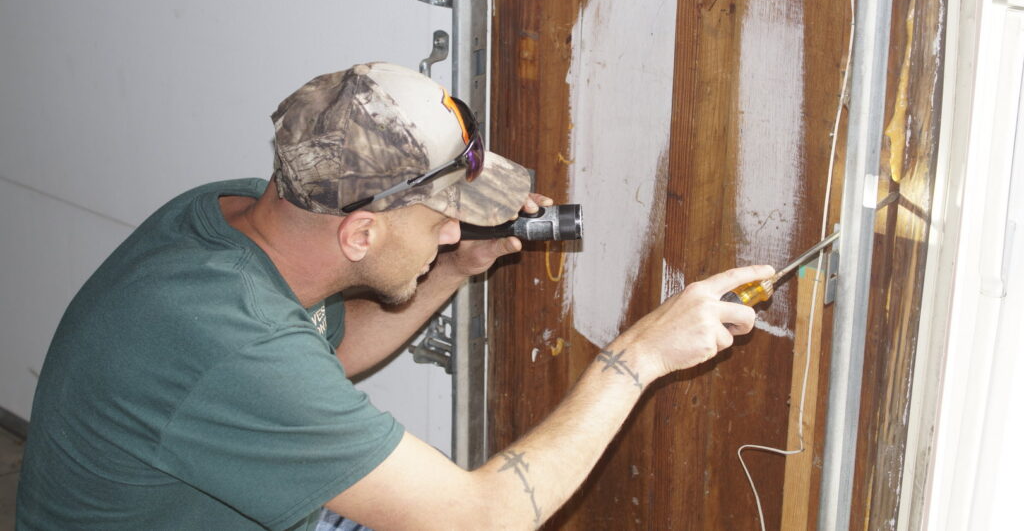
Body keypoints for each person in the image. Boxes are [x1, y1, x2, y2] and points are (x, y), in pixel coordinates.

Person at [16, 62, 771, 530]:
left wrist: (450, 268)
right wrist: (637, 359)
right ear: (361, 236)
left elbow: (324, 352)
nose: (453, 235)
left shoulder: (235, 213)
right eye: (445, 222)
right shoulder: (226, 342)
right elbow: (483, 520)